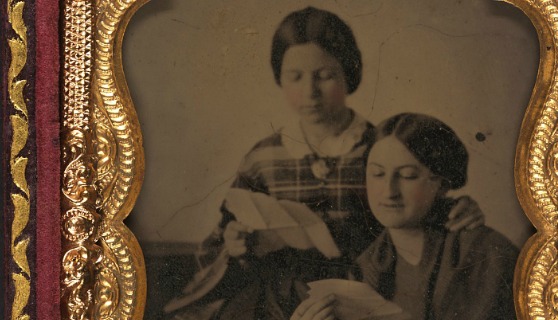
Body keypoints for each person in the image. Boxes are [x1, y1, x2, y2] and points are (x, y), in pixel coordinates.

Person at [167, 8, 484, 320]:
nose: (310, 92)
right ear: (280, 78)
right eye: (296, 77)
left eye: (325, 76)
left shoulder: (381, 149)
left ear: (349, 73)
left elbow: (422, 215)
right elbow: (217, 245)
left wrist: (459, 211)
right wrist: (237, 245)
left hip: (369, 299)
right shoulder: (262, 159)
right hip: (283, 304)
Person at [292, 113, 519, 320]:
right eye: (377, 174)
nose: (389, 191)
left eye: (408, 176)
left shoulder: (487, 253)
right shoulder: (367, 265)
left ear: (442, 183)